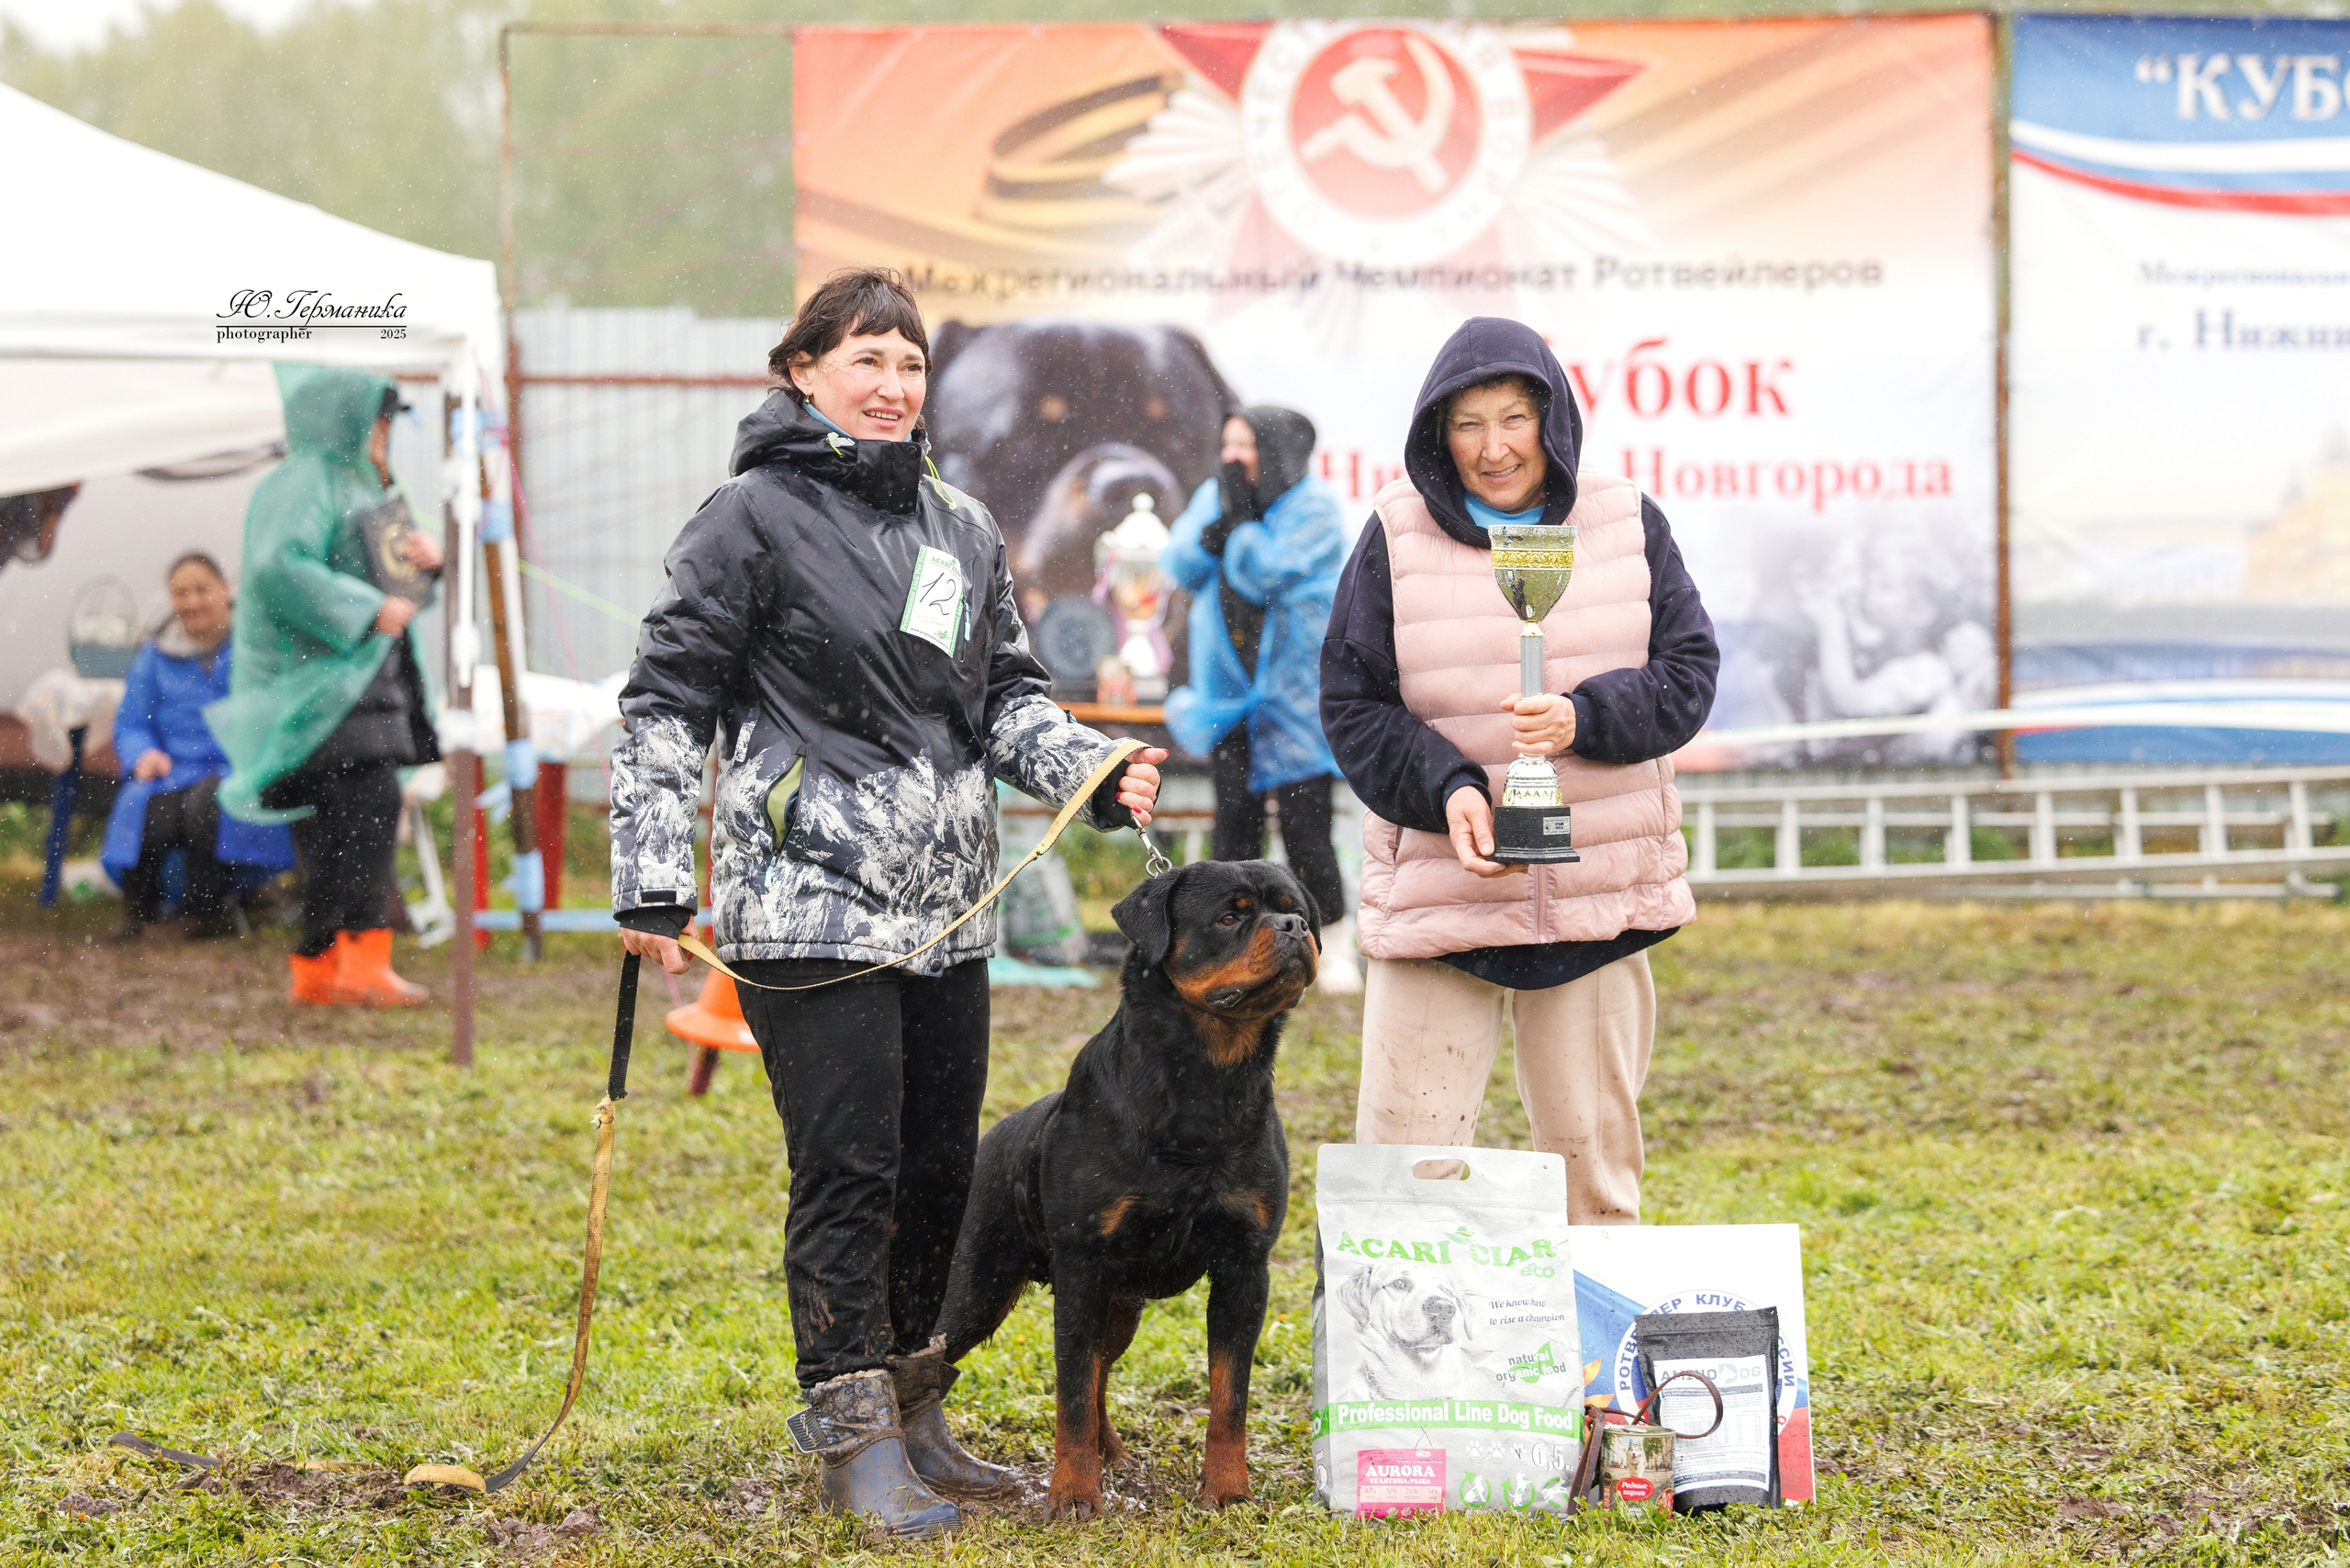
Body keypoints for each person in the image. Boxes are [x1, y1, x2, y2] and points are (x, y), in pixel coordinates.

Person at [609, 267, 1165, 1540]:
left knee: (939, 1174)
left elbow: (1005, 696)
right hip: (805, 913)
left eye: (909, 364)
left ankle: (916, 1405)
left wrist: (1088, 767)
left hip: (945, 915)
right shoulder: (746, 518)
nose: (892, 385)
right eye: (865, 359)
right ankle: (850, 1434)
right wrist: (649, 872)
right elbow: (664, 704)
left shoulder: (961, 529)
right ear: (802, 370)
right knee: (848, 1173)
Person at [1321, 316, 1718, 1225]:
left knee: (1594, 1183)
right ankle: (1394, 1365)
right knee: (1404, 1181)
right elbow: (1355, 704)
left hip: (1596, 902)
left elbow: (1688, 674)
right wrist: (1449, 788)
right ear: (1435, 431)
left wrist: (1587, 716)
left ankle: (1591, 1365)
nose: (1494, 448)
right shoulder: (1394, 531)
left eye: (1513, 418)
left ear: (1553, 420)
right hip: (1440, 899)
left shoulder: (1625, 520)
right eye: (1467, 424)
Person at [207, 366, 442, 1007]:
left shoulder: (364, 482)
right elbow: (278, 566)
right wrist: (364, 609)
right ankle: (348, 966)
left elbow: (392, 579)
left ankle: (330, 969)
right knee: (355, 827)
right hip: (328, 696)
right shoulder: (306, 481)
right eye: (379, 417)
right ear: (346, 417)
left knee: (353, 828)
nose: (387, 431)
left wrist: (427, 563)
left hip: (367, 692)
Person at [1164, 405, 1358, 991]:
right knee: (1234, 832)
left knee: (1306, 828)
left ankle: (1336, 945)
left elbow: (1267, 572)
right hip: (1230, 698)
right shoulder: (1217, 494)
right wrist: (1213, 531)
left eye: (1246, 444)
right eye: (1227, 443)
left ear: (1278, 451)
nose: (1232, 456)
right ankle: (1237, 950)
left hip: (1294, 703)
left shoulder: (1315, 508)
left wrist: (1240, 529)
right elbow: (1182, 564)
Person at [100, 553, 297, 939]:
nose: (192, 602)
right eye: (181, 593)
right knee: (145, 804)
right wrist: (144, 754)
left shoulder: (256, 646)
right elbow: (131, 722)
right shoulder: (154, 656)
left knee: (206, 805)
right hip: (175, 769)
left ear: (225, 590)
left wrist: (256, 758)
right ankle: (140, 913)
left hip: (239, 767)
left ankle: (202, 913)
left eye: (202, 590)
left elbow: (278, 708)